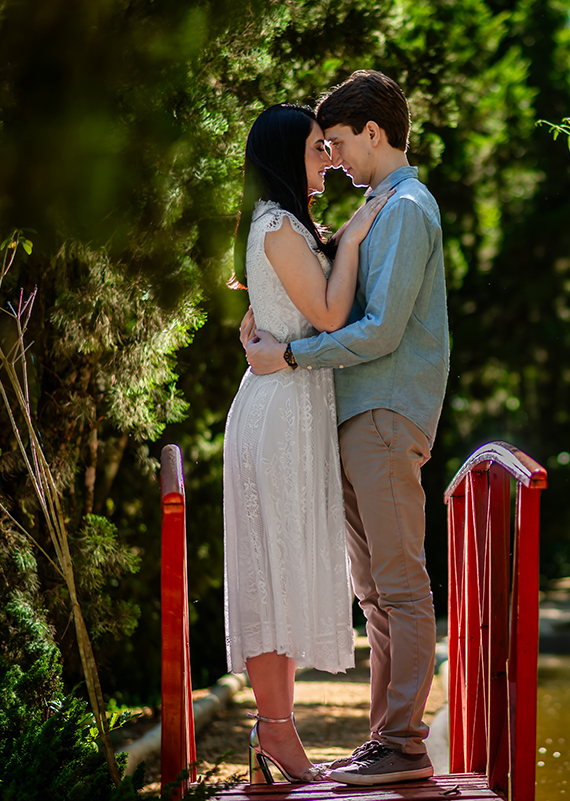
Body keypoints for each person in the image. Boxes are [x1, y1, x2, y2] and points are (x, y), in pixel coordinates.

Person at [242, 70, 449, 787]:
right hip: (356, 412)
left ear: (372, 132)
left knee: (401, 586)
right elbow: (326, 291)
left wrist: (292, 352)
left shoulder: (407, 208)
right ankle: (384, 739)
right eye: (319, 147)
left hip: (385, 411)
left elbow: (382, 329)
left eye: (336, 143)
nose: (332, 159)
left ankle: (403, 741)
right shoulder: (379, 209)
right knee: (376, 595)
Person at [223, 102, 392, 785]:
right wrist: (351, 241)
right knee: (272, 573)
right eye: (318, 148)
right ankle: (276, 734)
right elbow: (327, 314)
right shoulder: (279, 224)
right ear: (288, 153)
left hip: (290, 408)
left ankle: (275, 738)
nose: (328, 158)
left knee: (282, 572)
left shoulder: (283, 224)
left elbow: (296, 315)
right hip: (277, 416)